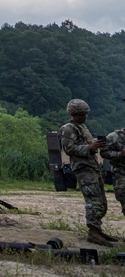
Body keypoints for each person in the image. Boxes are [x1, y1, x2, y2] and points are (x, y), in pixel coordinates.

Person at [60, 98, 113, 245]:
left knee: (101, 202)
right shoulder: (68, 129)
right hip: (83, 169)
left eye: (85, 114)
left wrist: (97, 146)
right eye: (82, 114)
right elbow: (69, 149)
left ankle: (97, 229)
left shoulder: (83, 128)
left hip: (92, 167)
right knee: (93, 201)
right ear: (74, 114)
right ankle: (93, 233)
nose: (85, 117)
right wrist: (90, 148)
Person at [100, 126, 125, 217]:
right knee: (122, 193)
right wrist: (120, 154)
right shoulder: (113, 137)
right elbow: (104, 152)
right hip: (121, 171)